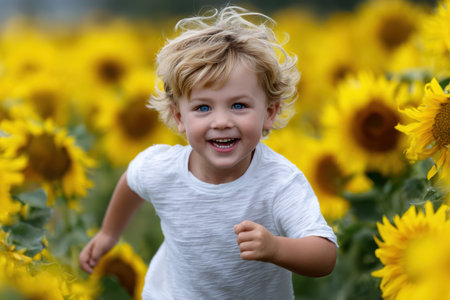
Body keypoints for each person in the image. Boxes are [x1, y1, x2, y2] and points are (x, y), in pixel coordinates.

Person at [79, 6, 338, 299]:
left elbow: (324, 255)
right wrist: (108, 234)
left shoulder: (278, 182)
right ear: (179, 118)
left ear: (269, 112)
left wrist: (277, 248)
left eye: (239, 105)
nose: (222, 121)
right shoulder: (162, 168)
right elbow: (132, 181)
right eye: (203, 108)